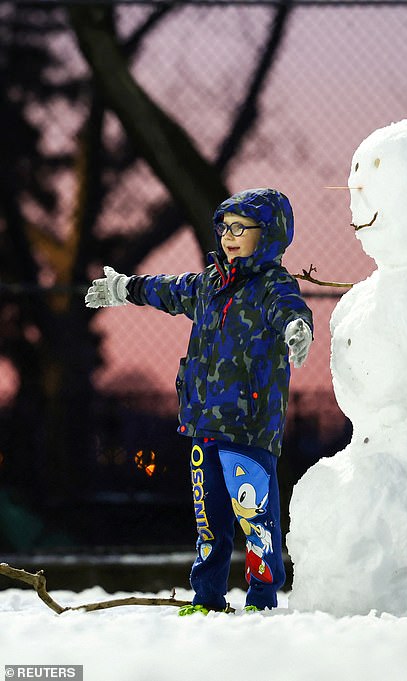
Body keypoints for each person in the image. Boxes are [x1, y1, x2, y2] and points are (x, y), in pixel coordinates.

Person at [85, 188, 313, 614]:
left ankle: (262, 600)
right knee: (209, 522)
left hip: (248, 427)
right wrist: (124, 288)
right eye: (224, 227)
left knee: (255, 519)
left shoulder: (271, 286)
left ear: (270, 235)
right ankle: (207, 597)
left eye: (241, 228)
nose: (229, 236)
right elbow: (168, 290)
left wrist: (298, 328)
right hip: (202, 425)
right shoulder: (209, 285)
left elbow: (291, 308)